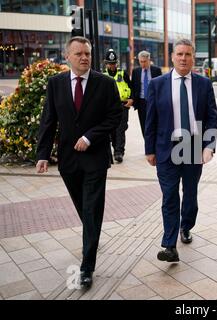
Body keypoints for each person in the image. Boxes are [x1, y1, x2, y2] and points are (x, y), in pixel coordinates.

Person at [36, 36, 122, 289]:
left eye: (87, 53)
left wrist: (90, 136)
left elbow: (115, 116)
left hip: (95, 158)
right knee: (83, 207)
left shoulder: (105, 83)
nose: (84, 57)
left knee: (92, 208)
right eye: (78, 54)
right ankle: (91, 233)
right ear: (67, 57)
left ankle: (87, 266)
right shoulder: (56, 84)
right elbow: (48, 120)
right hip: (68, 160)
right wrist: (42, 154)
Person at [145, 39, 217, 262]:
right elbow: (150, 119)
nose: (183, 58)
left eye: (187, 54)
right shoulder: (157, 84)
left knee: (190, 194)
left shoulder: (203, 84)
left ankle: (186, 225)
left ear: (193, 57)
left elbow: (212, 117)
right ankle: (169, 245)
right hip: (166, 148)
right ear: (172, 57)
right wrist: (149, 149)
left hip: (193, 146)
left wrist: (209, 146)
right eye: (179, 54)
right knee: (169, 196)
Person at [103, 49, 133, 163]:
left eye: (114, 63)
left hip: (123, 105)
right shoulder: (103, 75)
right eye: (110, 63)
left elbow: (131, 87)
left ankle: (119, 152)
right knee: (112, 129)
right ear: (106, 63)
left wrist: (131, 99)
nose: (112, 65)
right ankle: (116, 149)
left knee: (121, 129)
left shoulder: (123, 73)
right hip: (108, 107)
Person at [131, 51, 162, 137]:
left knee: (154, 123)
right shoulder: (135, 72)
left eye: (145, 61)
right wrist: (133, 100)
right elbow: (133, 86)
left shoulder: (156, 70)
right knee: (144, 125)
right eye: (141, 61)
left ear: (149, 60)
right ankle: (147, 144)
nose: (143, 64)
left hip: (153, 101)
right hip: (141, 102)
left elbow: (160, 87)